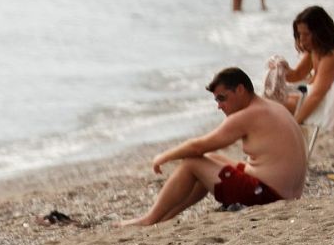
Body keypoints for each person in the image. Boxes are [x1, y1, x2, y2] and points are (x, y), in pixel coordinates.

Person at [119, 68, 306, 226]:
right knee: (212, 159)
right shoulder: (270, 106)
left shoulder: (246, 115)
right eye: (217, 100)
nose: (220, 106)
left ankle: (149, 219)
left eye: (222, 98)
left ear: (240, 90)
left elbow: (197, 147)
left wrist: (164, 156)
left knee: (192, 162)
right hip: (285, 192)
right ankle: (164, 219)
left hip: (268, 195)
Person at [273, 6, 334, 124]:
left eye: (306, 34)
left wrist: (294, 123)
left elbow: (315, 97)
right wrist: (281, 70)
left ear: (320, 32)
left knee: (272, 106)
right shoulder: (317, 50)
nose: (302, 40)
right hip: (326, 101)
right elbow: (297, 74)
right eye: (299, 34)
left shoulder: (331, 56)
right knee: (273, 100)